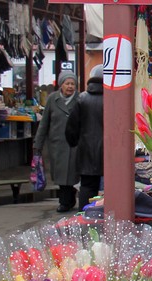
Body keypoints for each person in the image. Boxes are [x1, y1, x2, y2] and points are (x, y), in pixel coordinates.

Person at [34, 70, 79, 212]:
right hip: (57, 143)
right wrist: (38, 144)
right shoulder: (52, 99)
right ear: (61, 85)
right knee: (60, 175)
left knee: (72, 173)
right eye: (67, 83)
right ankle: (66, 199)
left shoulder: (80, 99)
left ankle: (67, 200)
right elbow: (44, 123)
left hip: (75, 143)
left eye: (72, 84)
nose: (70, 86)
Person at [66, 65, 104, 210]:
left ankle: (85, 217)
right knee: (112, 187)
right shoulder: (113, 99)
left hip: (86, 151)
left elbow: (71, 128)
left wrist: (75, 143)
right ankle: (107, 217)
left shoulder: (82, 99)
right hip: (108, 151)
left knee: (87, 186)